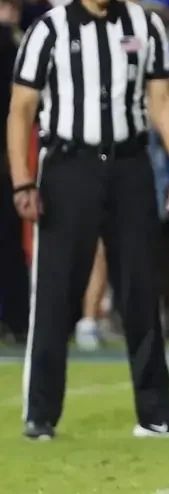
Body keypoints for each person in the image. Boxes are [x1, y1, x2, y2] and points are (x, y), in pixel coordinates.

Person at [9, 0, 169, 440]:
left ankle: (155, 414)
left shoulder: (144, 23)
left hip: (131, 165)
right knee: (55, 290)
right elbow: (21, 108)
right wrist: (22, 181)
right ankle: (40, 415)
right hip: (68, 167)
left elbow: (162, 98)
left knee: (140, 288)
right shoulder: (50, 28)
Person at [0, 4, 28, 345]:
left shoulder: (12, 46)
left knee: (8, 241)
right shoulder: (13, 45)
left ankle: (17, 317)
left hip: (7, 159)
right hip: (7, 158)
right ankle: (17, 317)